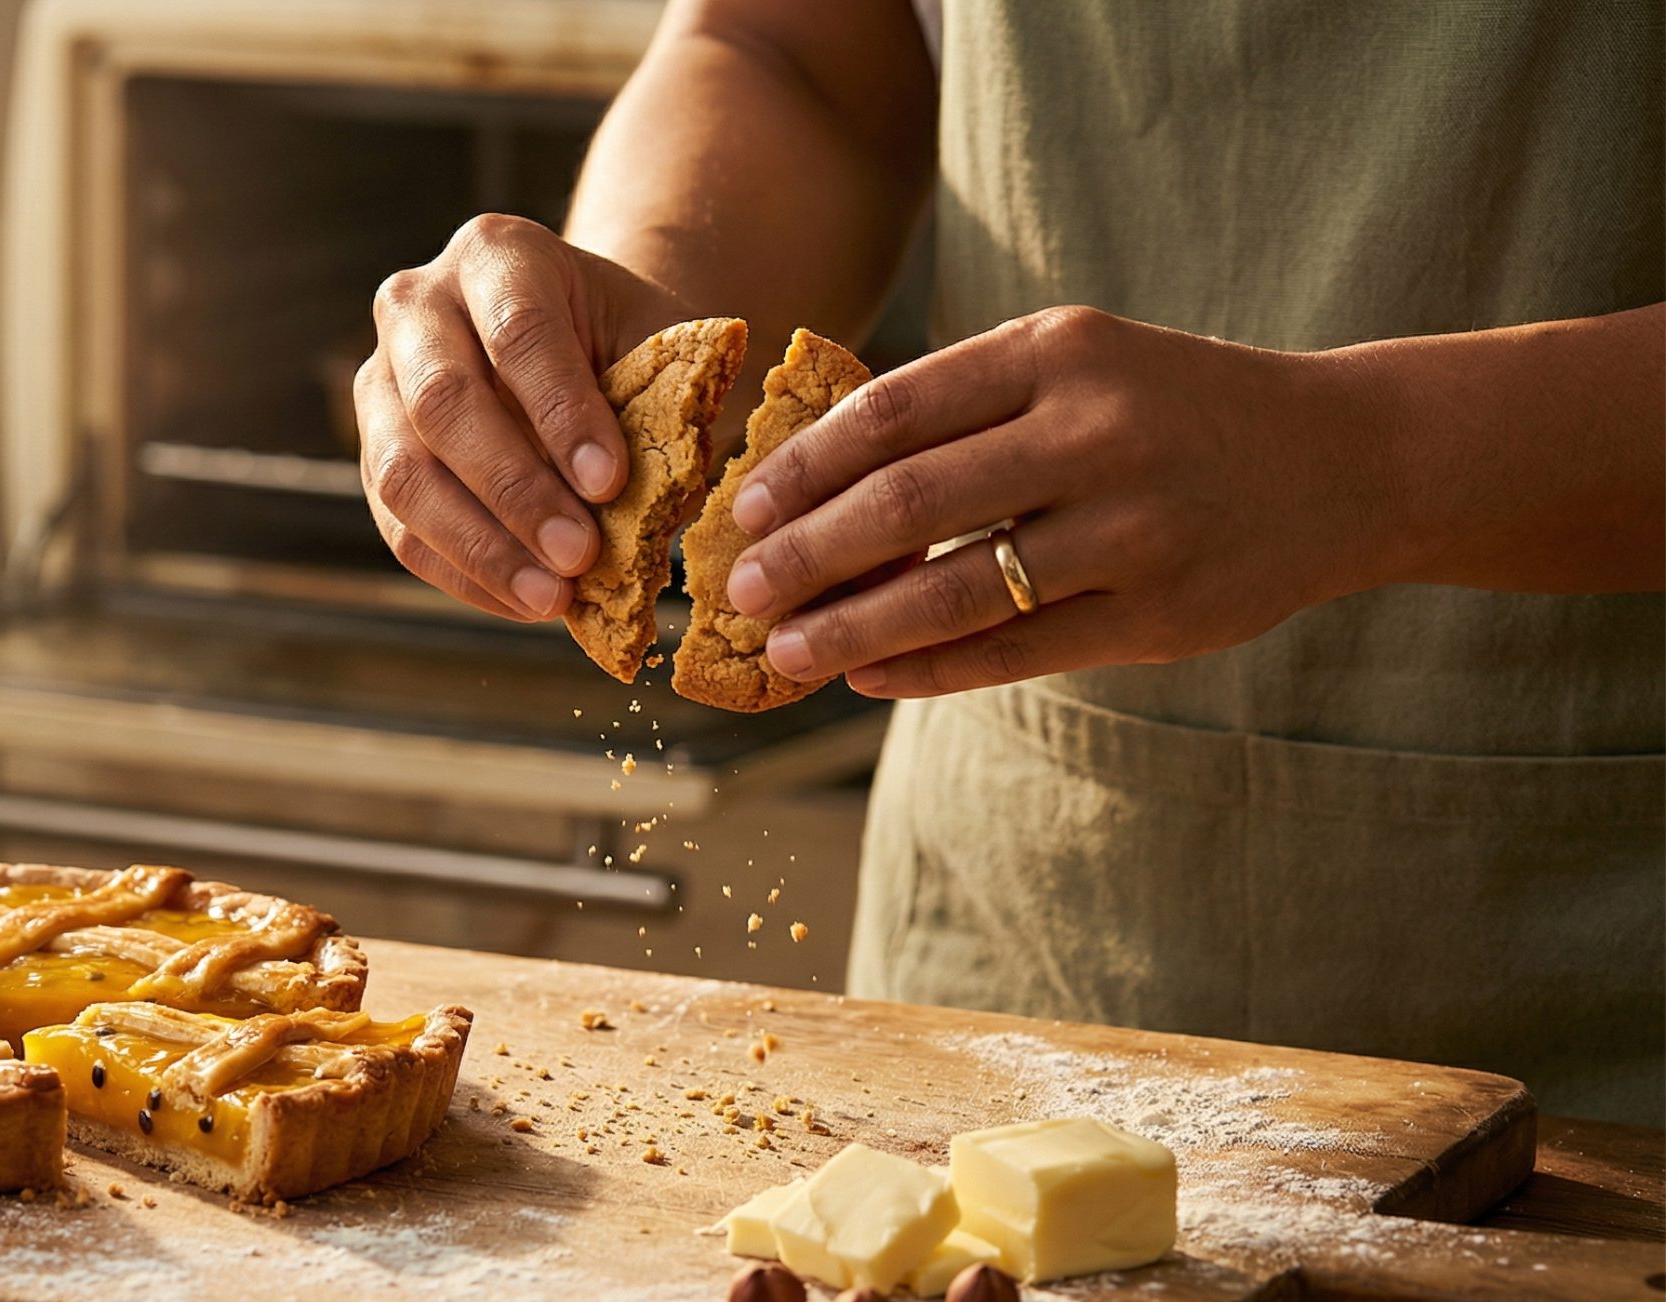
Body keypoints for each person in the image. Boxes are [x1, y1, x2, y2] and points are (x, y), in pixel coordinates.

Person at [355, 0, 1664, 1123]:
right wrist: (639, 322)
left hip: (1601, 1008)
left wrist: (1367, 458)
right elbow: (790, 48)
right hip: (1017, 954)